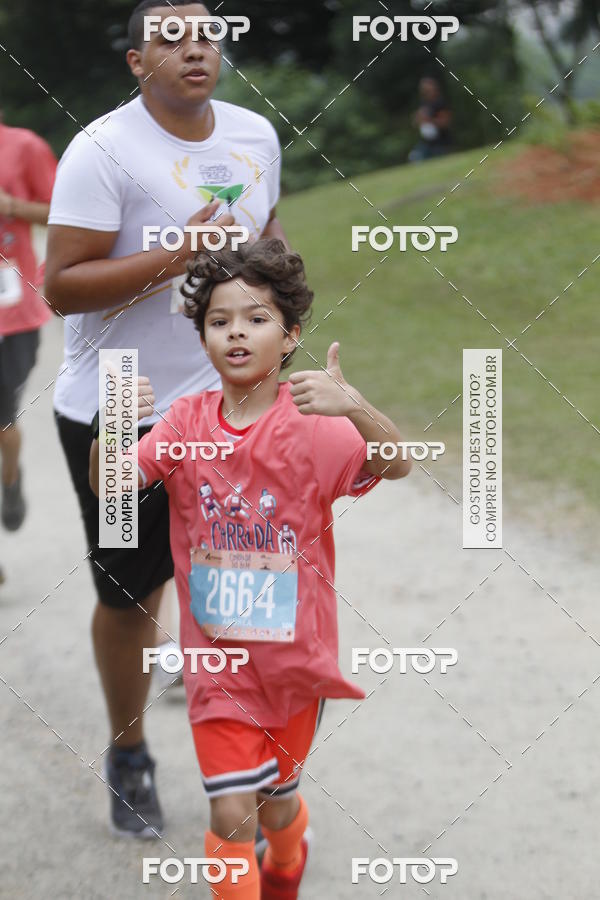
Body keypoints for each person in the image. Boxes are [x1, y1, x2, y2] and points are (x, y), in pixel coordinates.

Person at [89, 238, 412, 898]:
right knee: (232, 814)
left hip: (296, 663)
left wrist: (355, 406)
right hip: (216, 664)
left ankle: (289, 861)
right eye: (219, 320)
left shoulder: (316, 422)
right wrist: (114, 422)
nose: (236, 331)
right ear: (203, 336)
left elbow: (397, 463)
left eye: (256, 318)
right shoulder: (184, 421)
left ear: (290, 336)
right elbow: (110, 487)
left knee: (277, 809)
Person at [44, 0, 287, 838]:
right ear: (136, 61)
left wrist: (280, 303)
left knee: (234, 592)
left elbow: (267, 233)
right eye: (170, 38)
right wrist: (175, 257)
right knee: (129, 596)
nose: (193, 49)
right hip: (119, 408)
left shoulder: (254, 135)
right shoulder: (101, 150)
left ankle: (245, 774)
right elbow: (62, 285)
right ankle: (129, 750)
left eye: (206, 35)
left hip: (230, 410)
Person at [0, 109, 57, 535]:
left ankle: (11, 478)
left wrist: (12, 206)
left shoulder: (24, 147)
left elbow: (63, 214)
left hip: (14, 317)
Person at [408, 76, 453, 163]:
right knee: (414, 157)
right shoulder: (424, 104)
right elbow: (416, 123)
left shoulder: (440, 103)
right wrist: (417, 119)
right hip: (427, 143)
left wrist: (429, 120)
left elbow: (446, 122)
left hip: (442, 142)